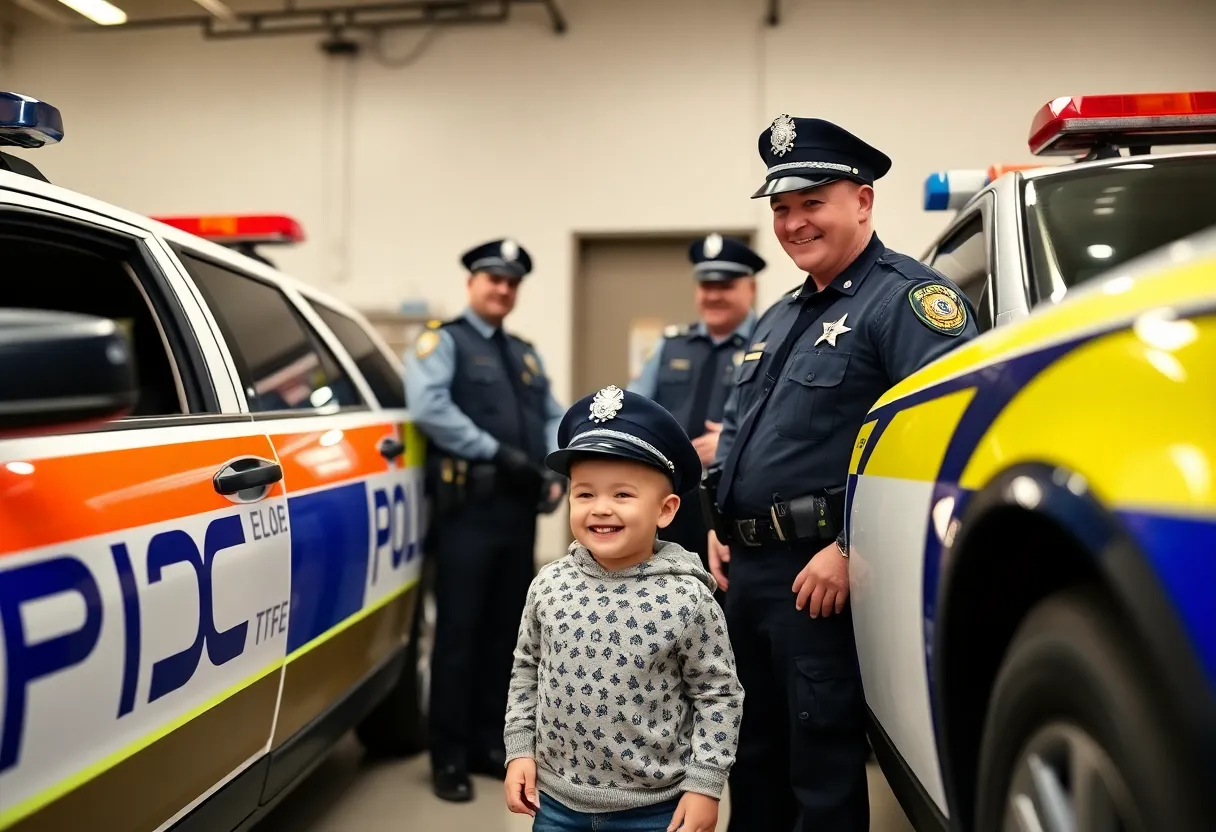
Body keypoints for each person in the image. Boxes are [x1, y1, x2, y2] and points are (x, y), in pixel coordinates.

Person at [701, 115, 979, 831]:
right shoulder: (778, 317)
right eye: (782, 209)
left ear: (862, 201)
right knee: (749, 755)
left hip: (822, 576)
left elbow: (945, 439)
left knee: (819, 769)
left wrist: (852, 545)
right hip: (749, 574)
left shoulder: (907, 301)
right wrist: (715, 523)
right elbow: (737, 430)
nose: (794, 223)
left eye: (812, 203)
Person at [503, 385, 744, 832]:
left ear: (666, 510)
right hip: (556, 803)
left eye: (622, 495)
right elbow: (527, 670)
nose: (601, 509)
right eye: (585, 494)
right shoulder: (549, 584)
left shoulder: (688, 599)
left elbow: (718, 696)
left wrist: (705, 785)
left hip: (654, 810)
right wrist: (519, 749)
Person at [405, 238, 566, 802]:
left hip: (516, 509)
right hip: (467, 511)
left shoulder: (523, 351)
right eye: (493, 278)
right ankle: (446, 756)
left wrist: (552, 466)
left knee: (506, 635)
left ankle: (485, 744)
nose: (502, 288)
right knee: (458, 634)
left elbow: (550, 412)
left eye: (512, 281)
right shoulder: (443, 342)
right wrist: (497, 454)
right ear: (472, 282)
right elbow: (429, 409)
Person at [626, 234, 763, 570]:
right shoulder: (672, 345)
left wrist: (732, 444)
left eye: (726, 285)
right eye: (706, 285)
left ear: (751, 288)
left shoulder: (769, 344)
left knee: (729, 603)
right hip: (672, 501)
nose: (713, 295)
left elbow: (781, 418)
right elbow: (635, 410)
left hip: (736, 497)